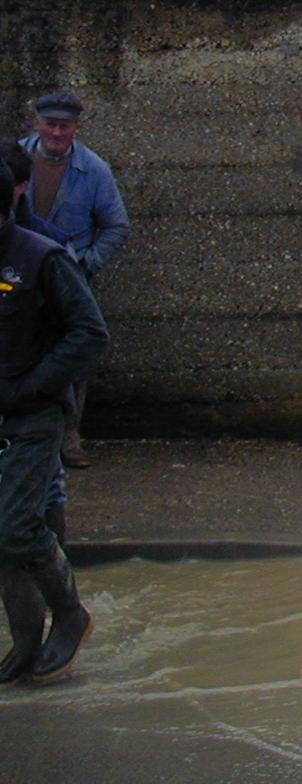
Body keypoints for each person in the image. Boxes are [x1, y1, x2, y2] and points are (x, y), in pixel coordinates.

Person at [0, 159, 108, 684]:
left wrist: (35, 384)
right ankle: (23, 641)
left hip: (32, 414)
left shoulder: (42, 258)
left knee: (18, 527)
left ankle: (70, 612)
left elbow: (89, 332)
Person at [17, 92, 130, 468]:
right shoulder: (15, 159)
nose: (57, 132)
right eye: (50, 123)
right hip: (18, 272)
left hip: (67, 274)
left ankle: (69, 435)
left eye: (65, 126)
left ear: (75, 129)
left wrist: (86, 264)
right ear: (37, 124)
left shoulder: (94, 170)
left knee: (74, 354)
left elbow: (116, 225)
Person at [2, 146, 69, 549]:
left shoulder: (45, 249)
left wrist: (39, 384)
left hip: (31, 400)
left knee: (45, 491)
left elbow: (84, 331)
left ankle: (61, 593)